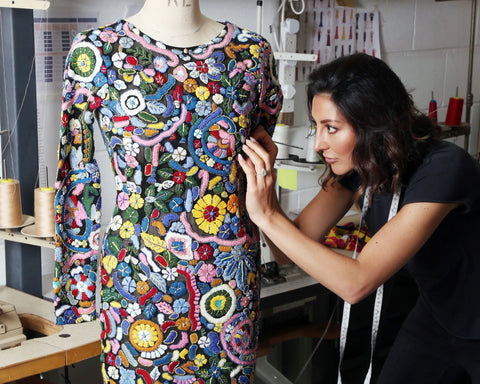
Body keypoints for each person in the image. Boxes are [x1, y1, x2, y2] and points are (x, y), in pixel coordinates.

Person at [54, 0, 282, 383]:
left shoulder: (252, 52)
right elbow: (76, 174)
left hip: (227, 279)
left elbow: (258, 149)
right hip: (136, 279)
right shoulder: (97, 51)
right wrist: (77, 291)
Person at [238, 53, 480, 383]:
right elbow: (288, 251)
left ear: (372, 124)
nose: (319, 144)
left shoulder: (444, 168)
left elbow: (356, 283)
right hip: (438, 314)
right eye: (317, 127)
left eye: (332, 128)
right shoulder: (361, 169)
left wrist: (266, 215)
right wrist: (268, 188)